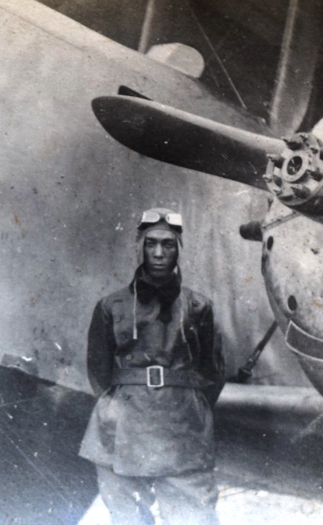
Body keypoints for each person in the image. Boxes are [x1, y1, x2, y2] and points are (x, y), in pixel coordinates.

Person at [79, 208, 223, 525]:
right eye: (151, 243)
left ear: (178, 250)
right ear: (140, 248)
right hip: (123, 425)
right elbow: (98, 370)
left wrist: (187, 404)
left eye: (168, 244)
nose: (158, 253)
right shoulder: (111, 306)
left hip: (181, 426)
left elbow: (212, 372)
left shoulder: (199, 307)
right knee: (127, 515)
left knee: (193, 515)